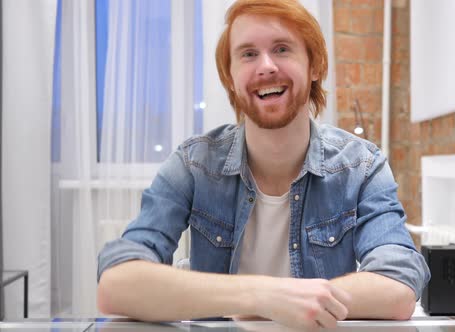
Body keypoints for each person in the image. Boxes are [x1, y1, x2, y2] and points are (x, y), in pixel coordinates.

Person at [96, 0, 430, 330]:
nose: (266, 66)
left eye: (282, 49)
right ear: (230, 76)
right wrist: (262, 296)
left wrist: (287, 303)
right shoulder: (193, 164)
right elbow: (116, 284)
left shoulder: (361, 165)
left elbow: (398, 285)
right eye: (248, 54)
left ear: (315, 67)